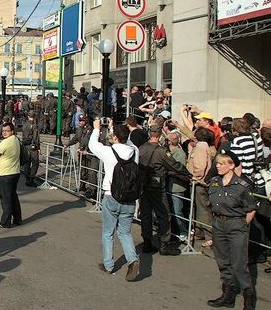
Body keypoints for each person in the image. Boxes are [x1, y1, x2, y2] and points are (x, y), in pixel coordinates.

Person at [206, 151, 259, 310]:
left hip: (236, 225)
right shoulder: (214, 183)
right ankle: (227, 296)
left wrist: (242, 226)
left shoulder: (242, 185)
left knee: (239, 264)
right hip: (219, 224)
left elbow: (251, 209)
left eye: (222, 163)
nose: (218, 166)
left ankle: (249, 303)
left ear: (231, 165)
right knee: (223, 262)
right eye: (218, 163)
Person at [88, 120, 140, 280]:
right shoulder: (134, 152)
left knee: (108, 232)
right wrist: (115, 128)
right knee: (125, 232)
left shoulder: (109, 152)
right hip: (130, 197)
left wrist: (97, 129)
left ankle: (108, 264)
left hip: (111, 194)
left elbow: (92, 145)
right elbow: (128, 141)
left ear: (115, 137)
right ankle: (132, 259)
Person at [138, 125, 192, 255]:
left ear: (149, 134)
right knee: (163, 214)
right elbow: (174, 165)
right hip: (157, 185)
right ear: (160, 135)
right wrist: (188, 173)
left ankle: (147, 242)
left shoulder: (141, 148)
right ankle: (164, 244)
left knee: (146, 213)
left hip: (143, 184)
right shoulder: (161, 151)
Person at [187, 127, 217, 246]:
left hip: (199, 182)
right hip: (199, 181)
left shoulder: (200, 147)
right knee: (197, 208)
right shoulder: (203, 146)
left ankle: (209, 235)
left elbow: (200, 166)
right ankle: (199, 231)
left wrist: (195, 177)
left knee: (203, 209)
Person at [0, 122, 22, 228]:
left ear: (12, 131)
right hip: (15, 172)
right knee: (13, 196)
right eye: (3, 130)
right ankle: (18, 219)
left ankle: (5, 222)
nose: (4, 132)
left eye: (7, 130)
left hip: (5, 174)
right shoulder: (16, 140)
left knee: (6, 199)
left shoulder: (6, 142)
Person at [21, 111, 40, 187]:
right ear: (34, 116)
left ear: (28, 116)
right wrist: (38, 147)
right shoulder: (34, 125)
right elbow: (36, 137)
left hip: (25, 145)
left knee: (27, 163)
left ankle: (27, 178)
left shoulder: (24, 124)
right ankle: (31, 178)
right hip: (32, 147)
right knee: (35, 162)